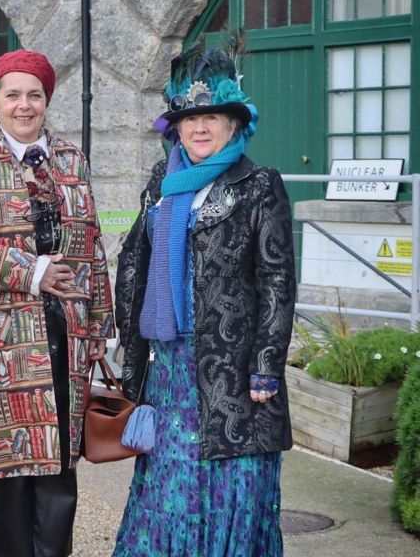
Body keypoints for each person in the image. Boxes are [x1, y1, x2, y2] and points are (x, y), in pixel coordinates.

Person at [112, 43, 296, 556]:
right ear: (175, 126)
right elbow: (135, 264)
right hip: (168, 368)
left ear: (234, 124)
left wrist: (266, 367)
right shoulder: (162, 186)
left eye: (211, 116)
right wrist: (124, 345)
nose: (199, 128)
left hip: (233, 375)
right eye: (189, 117)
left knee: (230, 488)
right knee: (169, 493)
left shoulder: (259, 186)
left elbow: (278, 283)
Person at [0, 49, 116, 556]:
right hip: (1, 344)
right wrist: (30, 271)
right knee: (7, 468)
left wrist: (102, 323)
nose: (24, 105)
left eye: (34, 95)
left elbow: (93, 246)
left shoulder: (71, 160)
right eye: (12, 95)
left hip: (68, 335)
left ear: (46, 101)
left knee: (59, 468)